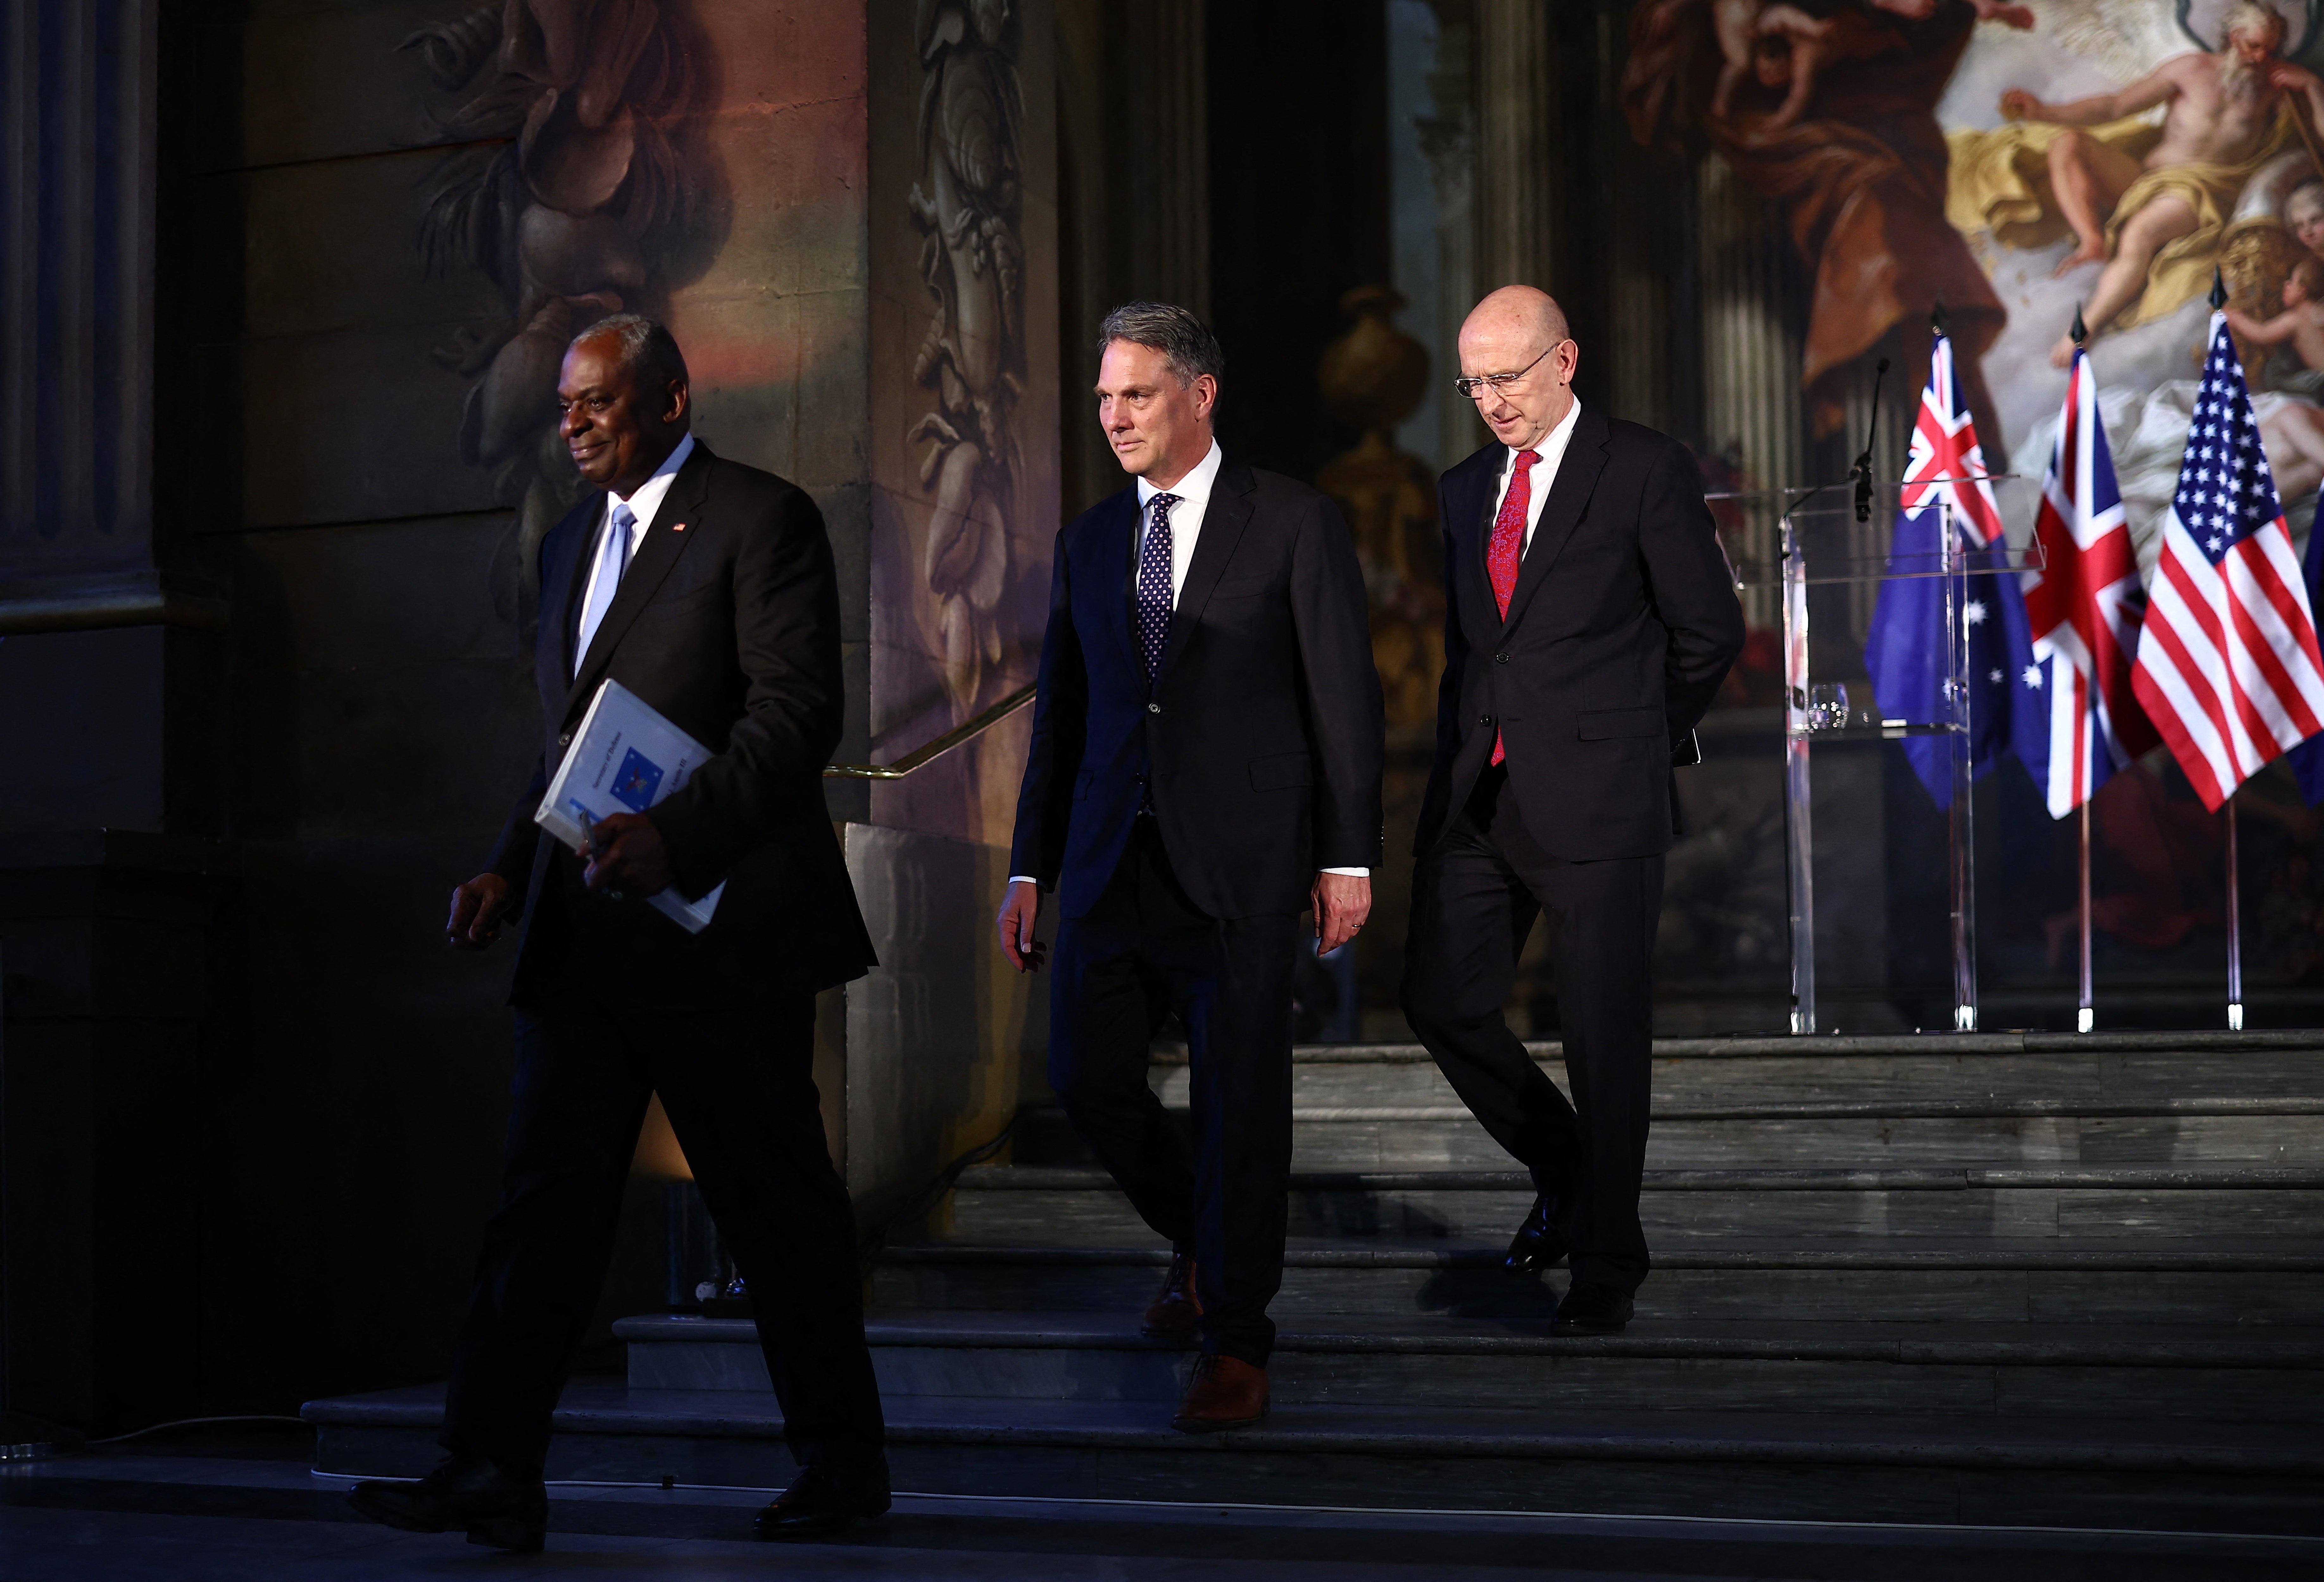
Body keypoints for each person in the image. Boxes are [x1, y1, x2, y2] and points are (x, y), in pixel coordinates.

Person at [346, 315, 886, 1551]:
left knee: (776, 1215)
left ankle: (843, 1466)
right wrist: (503, 865)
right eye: (565, 406)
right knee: (540, 1205)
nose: (573, 423)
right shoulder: (564, 547)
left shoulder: (760, 518)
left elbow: (793, 718)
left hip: (722, 938)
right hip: (582, 937)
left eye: (597, 403)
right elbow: (566, 745)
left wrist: (676, 838)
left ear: (672, 403)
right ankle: (488, 1464)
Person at [996, 302, 1383, 1432]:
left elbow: (1340, 704)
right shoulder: (1084, 541)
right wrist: (1030, 867)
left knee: (1243, 1103)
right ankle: (1199, 1240)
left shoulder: (1295, 523)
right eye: (1104, 398)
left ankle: (1236, 1341)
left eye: (1136, 395)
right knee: (1085, 1074)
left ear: (1198, 394)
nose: (1113, 416)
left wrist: (1345, 854)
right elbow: (1061, 718)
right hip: (1111, 855)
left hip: (1247, 860)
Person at [1399, 286, 1744, 1336]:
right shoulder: (1463, 490)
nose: (1490, 399)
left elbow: (1707, 632)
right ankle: (1568, 1172)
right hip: (1480, 791)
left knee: (1603, 1037)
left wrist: (1634, 740)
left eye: (1507, 376)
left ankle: (1606, 1262)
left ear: (1565, 362)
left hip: (1600, 797)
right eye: (1473, 383)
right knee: (1439, 1000)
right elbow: (1477, 650)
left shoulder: (1639, 467)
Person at [1992, 0, 2324, 365]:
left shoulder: (2279, 89)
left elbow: (2318, 142)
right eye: (2253, 46)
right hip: (2148, 179)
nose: (2261, 58)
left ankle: (2086, 328)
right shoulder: (2189, 69)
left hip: (2203, 192)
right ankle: (2092, 241)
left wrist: (2311, 87)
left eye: (2270, 50)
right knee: (2067, 144)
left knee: (2141, 233)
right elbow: (2114, 107)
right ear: (2232, 38)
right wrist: (2043, 112)